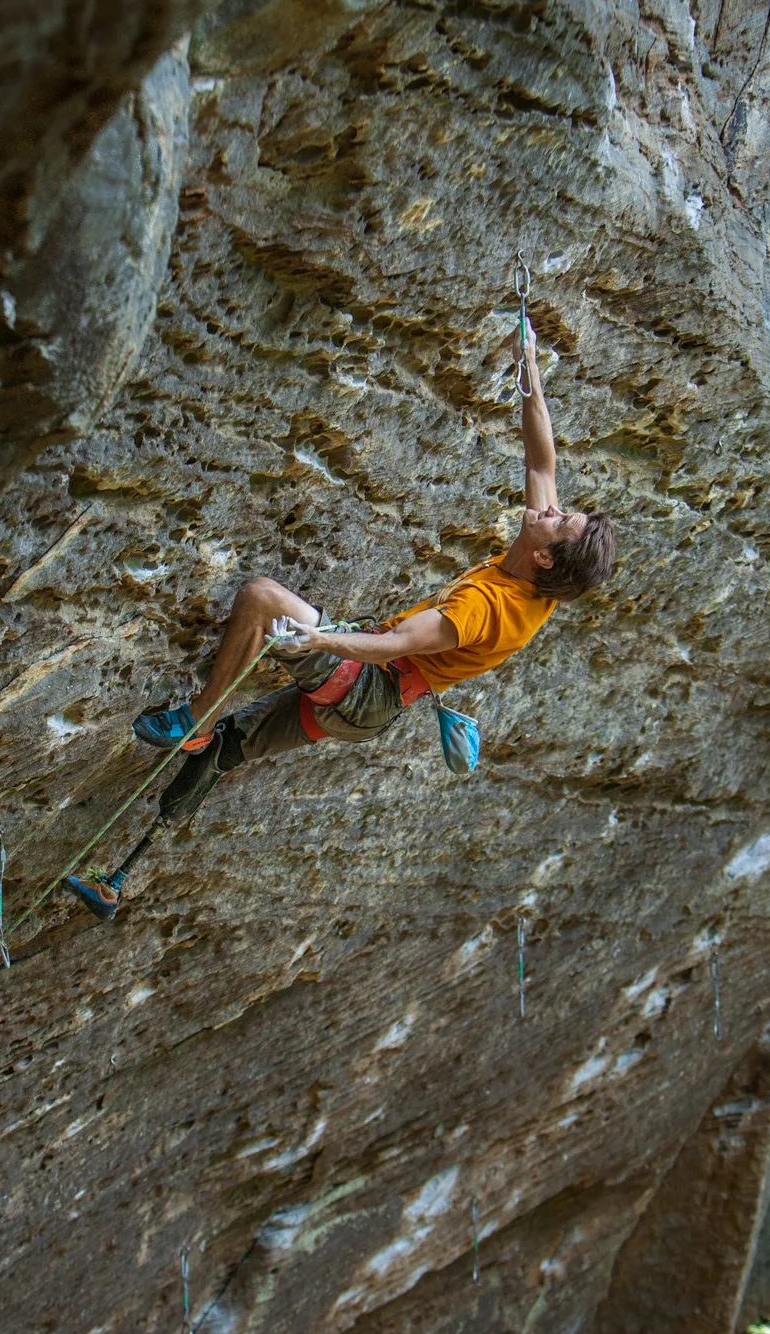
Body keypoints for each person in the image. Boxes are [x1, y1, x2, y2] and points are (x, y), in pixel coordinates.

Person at [66, 321, 616, 921]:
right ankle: (116, 880)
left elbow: (399, 643)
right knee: (228, 749)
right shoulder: (541, 569)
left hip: (368, 686)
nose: (552, 508)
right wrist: (529, 364)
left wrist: (318, 639)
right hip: (371, 705)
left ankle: (194, 719)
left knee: (261, 599)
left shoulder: (488, 609)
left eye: (560, 519)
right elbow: (543, 457)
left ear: (544, 555)